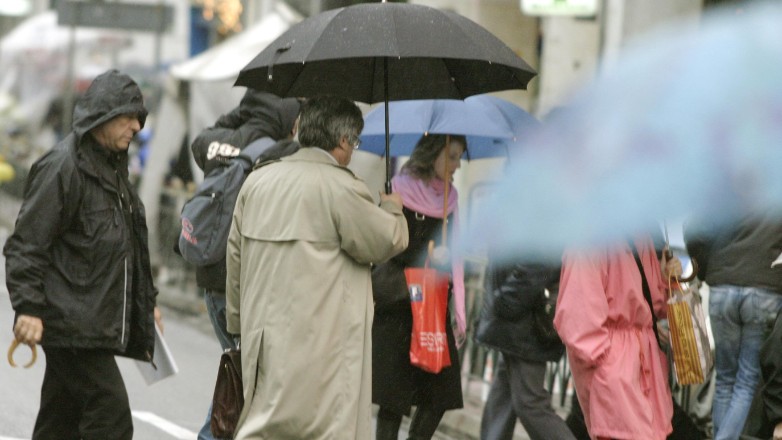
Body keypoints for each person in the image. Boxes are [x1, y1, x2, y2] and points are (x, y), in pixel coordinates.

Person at [225, 95, 408, 439]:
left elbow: (235, 256)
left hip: (261, 339)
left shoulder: (258, 181)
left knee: (262, 428)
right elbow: (387, 240)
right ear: (343, 140)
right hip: (323, 344)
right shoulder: (342, 187)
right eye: (354, 142)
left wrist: (237, 325)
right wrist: (392, 208)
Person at [3, 69, 162, 440]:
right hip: (70, 324)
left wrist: (146, 302)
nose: (137, 126)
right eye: (129, 116)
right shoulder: (63, 167)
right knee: (110, 417)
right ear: (104, 115)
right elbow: (27, 244)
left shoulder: (113, 168)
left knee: (60, 424)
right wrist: (28, 307)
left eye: (139, 117)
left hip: (87, 324)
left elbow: (128, 247)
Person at [186, 89, 301, 440]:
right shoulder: (282, 154)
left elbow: (202, 139)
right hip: (244, 283)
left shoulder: (215, 143)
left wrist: (241, 115)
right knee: (246, 382)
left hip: (210, 277)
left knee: (240, 375)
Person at [371, 133, 467, 440]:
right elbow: (382, 246)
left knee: (440, 393)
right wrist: (423, 253)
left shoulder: (450, 199)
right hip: (399, 305)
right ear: (432, 154)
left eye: (459, 157)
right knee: (393, 399)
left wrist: (445, 259)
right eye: (452, 156)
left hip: (432, 306)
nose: (457, 165)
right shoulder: (398, 190)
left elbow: (457, 255)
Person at [553, 234, 682, 440]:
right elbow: (578, 320)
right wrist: (608, 363)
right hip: (617, 368)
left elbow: (656, 302)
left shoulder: (641, 237)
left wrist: (670, 279)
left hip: (644, 368)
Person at [684, 211, 782, 440]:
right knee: (746, 381)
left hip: (722, 286)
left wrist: (708, 269)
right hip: (763, 285)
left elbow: (695, 231)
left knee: (725, 380)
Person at [475, 256, 576, 440]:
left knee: (530, 404)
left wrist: (507, 300)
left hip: (526, 323)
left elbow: (539, 263)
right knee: (504, 397)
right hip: (518, 321)